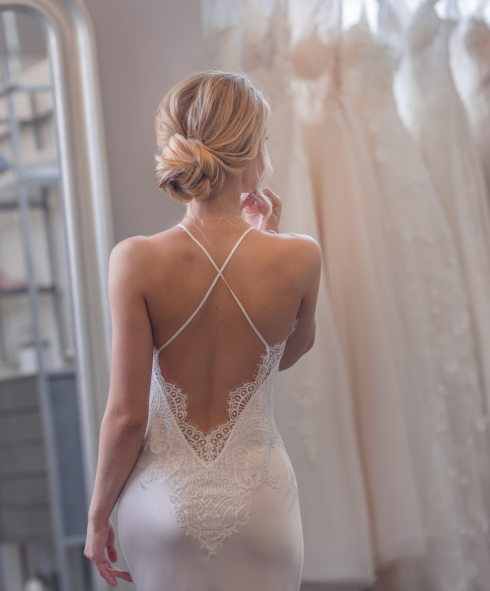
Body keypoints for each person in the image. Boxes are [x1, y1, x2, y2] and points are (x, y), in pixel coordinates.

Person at [84, 71, 321, 590]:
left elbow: (126, 417)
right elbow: (290, 352)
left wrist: (98, 514)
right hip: (261, 501)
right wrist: (269, 241)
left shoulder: (135, 260)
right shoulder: (299, 256)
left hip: (160, 502)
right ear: (253, 152)